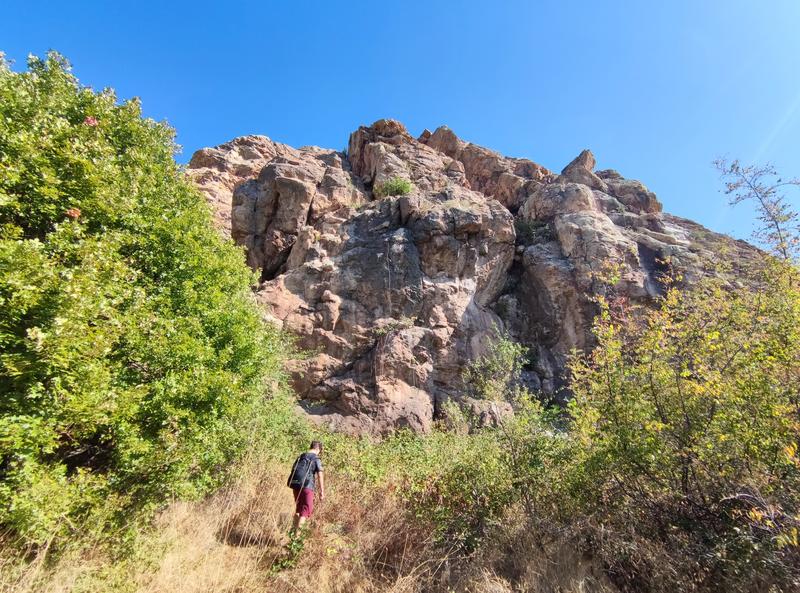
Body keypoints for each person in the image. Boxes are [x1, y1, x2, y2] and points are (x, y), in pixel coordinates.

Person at [287, 440, 325, 533]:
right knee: (305, 511)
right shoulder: (316, 459)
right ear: (318, 449)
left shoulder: (300, 456)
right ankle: (296, 539)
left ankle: (292, 534)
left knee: (298, 508)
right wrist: (322, 491)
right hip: (307, 486)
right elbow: (320, 475)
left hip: (295, 484)